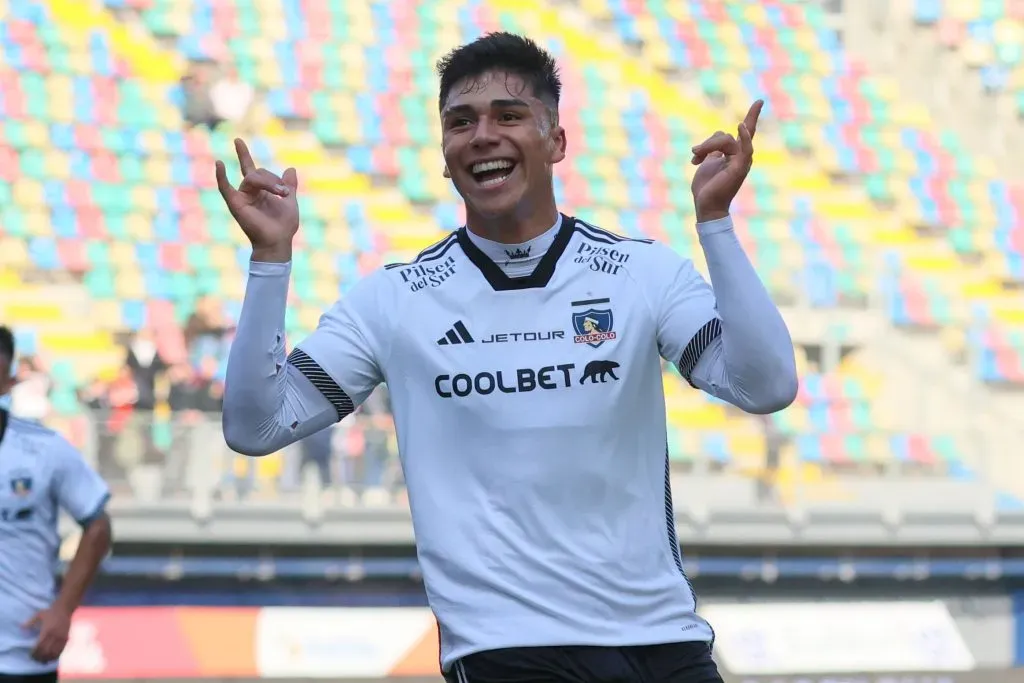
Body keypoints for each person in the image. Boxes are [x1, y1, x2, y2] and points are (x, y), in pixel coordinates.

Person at [217, 32, 797, 683]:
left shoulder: (640, 273)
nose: (482, 135)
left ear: (556, 142)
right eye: (460, 122)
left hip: (663, 642)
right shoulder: (396, 299)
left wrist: (714, 221)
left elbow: (767, 383)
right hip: (507, 652)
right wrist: (270, 260)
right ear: (443, 155)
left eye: (509, 115)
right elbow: (255, 426)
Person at [0, 326, 112, 682]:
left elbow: (98, 526)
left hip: (24, 653)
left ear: (9, 382)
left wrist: (63, 609)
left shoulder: (45, 450)